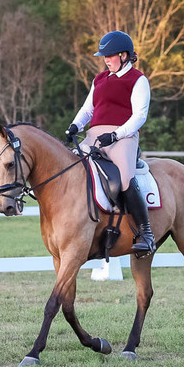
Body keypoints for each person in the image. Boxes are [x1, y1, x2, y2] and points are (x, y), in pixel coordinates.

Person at [65, 30, 156, 258]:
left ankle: (146, 233)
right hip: (94, 136)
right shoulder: (99, 79)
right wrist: (75, 125)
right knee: (71, 168)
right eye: (104, 57)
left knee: (124, 178)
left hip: (123, 137)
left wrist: (116, 135)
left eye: (110, 56)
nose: (106, 60)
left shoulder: (138, 80)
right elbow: (88, 109)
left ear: (124, 55)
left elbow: (139, 116)